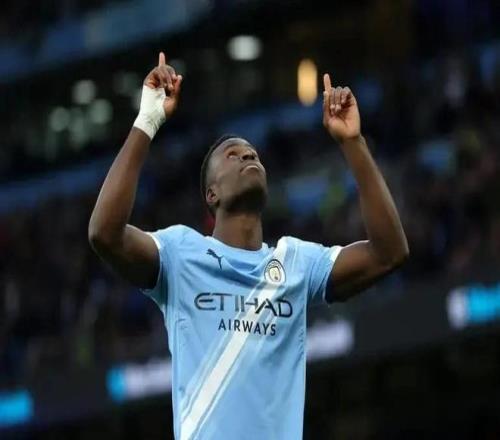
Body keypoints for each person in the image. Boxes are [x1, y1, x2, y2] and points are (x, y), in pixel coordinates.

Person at [89, 52, 409, 440]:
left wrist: (353, 143)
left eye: (252, 154)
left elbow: (389, 253)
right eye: (232, 155)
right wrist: (147, 121)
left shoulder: (296, 263)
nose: (247, 155)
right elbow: (104, 233)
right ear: (212, 194)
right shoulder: (180, 253)